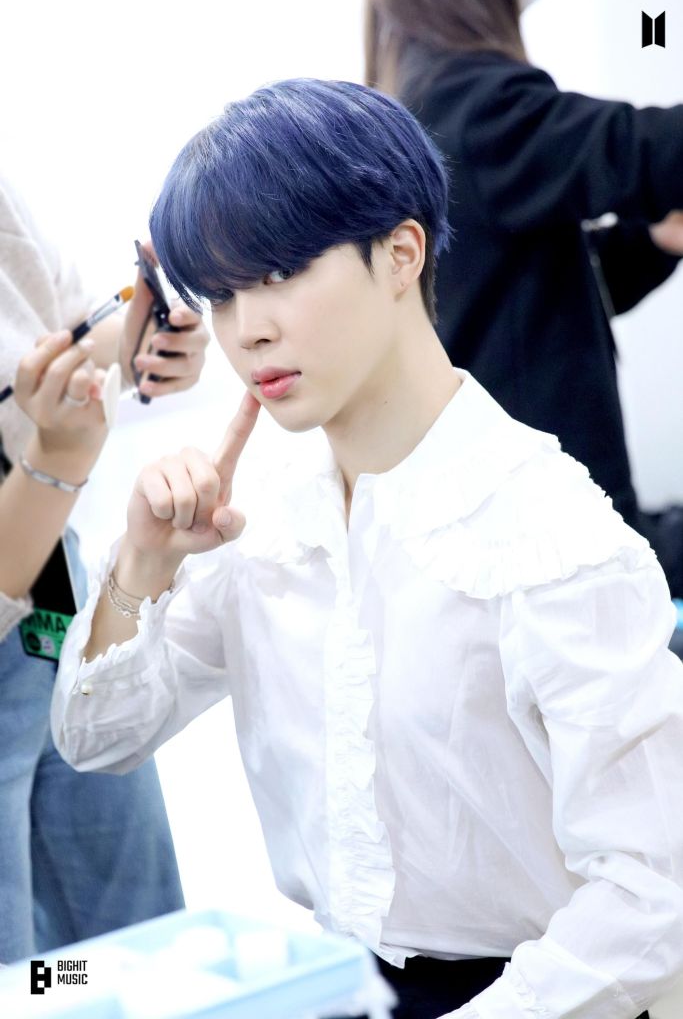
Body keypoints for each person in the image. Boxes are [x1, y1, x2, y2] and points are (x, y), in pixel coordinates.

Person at [49, 78, 683, 1019]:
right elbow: (95, 741)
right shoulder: (260, 522)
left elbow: (651, 897)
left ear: (400, 254)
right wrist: (144, 564)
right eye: (222, 293)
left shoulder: (550, 538)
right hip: (337, 985)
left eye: (279, 272)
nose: (248, 328)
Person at [364, 0, 683, 596]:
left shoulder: (421, 101)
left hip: (515, 509)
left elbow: (527, 291)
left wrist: (652, 241)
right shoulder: (475, 101)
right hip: (545, 522)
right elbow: (641, 149)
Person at [0, 175, 211, 961]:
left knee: (137, 942)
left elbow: (69, 330)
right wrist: (59, 457)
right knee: (22, 973)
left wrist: (138, 346)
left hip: (52, 593)